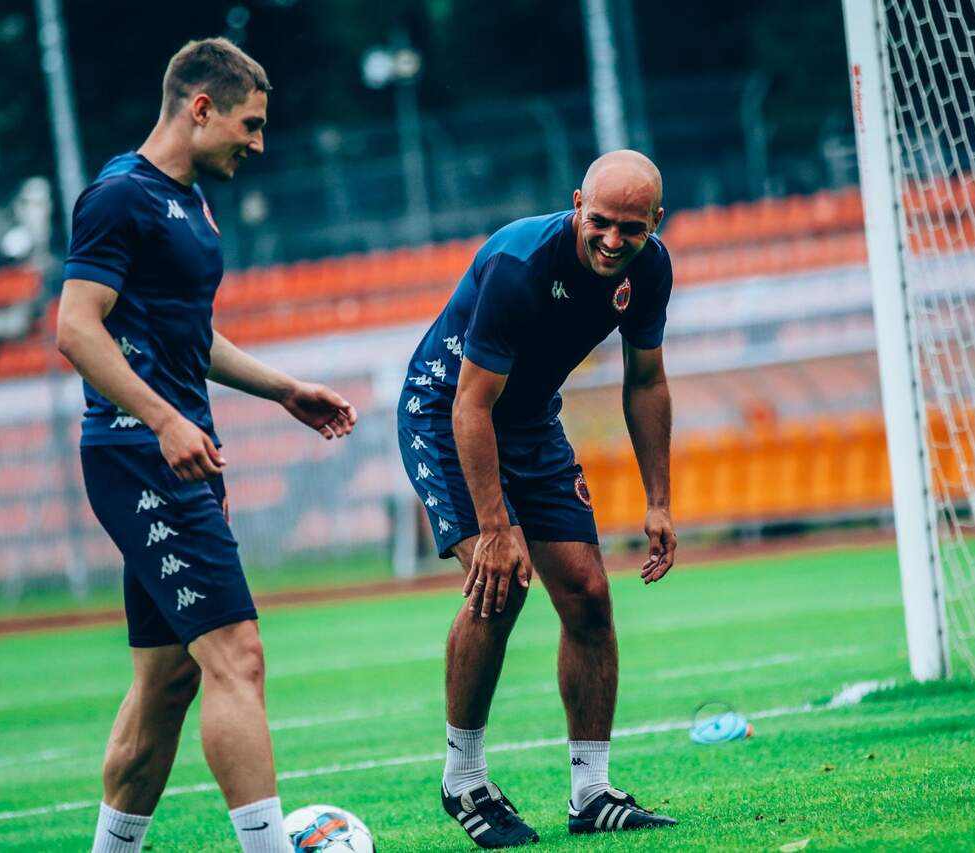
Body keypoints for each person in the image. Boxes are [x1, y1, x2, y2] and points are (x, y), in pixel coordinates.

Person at [56, 38, 356, 853]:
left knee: (168, 679)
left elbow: (189, 335)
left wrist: (283, 388)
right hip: (142, 453)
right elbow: (76, 328)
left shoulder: (187, 202)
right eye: (249, 125)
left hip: (173, 449)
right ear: (200, 107)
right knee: (237, 655)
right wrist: (163, 420)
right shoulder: (120, 196)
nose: (257, 143)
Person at [397, 149, 679, 848]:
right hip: (447, 414)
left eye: (632, 229)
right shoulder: (519, 264)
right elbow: (470, 405)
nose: (613, 240)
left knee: (588, 594)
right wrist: (495, 529)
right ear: (577, 203)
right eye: (601, 221)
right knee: (503, 581)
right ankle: (464, 779)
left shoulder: (651, 270)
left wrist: (659, 500)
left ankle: (592, 793)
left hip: (529, 421)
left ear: (656, 222)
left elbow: (646, 380)